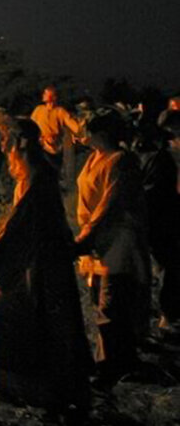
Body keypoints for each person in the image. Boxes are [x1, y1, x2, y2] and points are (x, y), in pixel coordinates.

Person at [0, 116, 91, 417]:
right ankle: (26, 387)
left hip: (41, 263)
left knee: (29, 316)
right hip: (36, 257)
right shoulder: (29, 173)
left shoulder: (37, 175)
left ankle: (43, 390)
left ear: (18, 142)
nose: (4, 147)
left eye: (7, 141)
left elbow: (23, 222)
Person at [74, 109, 150, 385]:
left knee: (111, 302)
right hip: (97, 239)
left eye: (87, 130)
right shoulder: (94, 158)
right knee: (102, 301)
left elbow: (111, 203)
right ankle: (124, 358)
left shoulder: (121, 160)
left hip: (119, 240)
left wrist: (86, 238)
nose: (83, 134)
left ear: (101, 133)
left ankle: (109, 367)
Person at [142, 114, 180, 330]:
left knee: (168, 267)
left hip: (166, 218)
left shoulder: (162, 157)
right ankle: (166, 314)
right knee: (168, 266)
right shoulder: (161, 158)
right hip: (165, 219)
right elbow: (157, 192)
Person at [31, 87, 81, 175]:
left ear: (53, 97)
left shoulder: (60, 111)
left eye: (46, 93)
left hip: (55, 147)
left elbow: (72, 124)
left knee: (54, 172)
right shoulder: (39, 110)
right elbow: (31, 124)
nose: (43, 95)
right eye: (44, 93)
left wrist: (79, 132)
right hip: (40, 146)